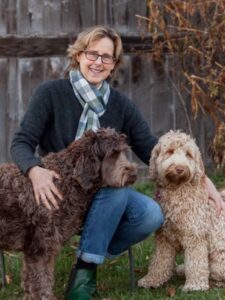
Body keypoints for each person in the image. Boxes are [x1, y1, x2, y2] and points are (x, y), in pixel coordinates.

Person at [10, 25, 225, 300]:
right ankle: (85, 277)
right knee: (117, 192)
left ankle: (87, 261)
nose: (98, 62)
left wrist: (202, 178)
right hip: (60, 197)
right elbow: (21, 143)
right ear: (78, 55)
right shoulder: (50, 93)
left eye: (106, 57)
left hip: (105, 198)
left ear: (114, 65)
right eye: (92, 54)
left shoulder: (120, 104)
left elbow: (151, 148)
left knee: (150, 214)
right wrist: (35, 170)